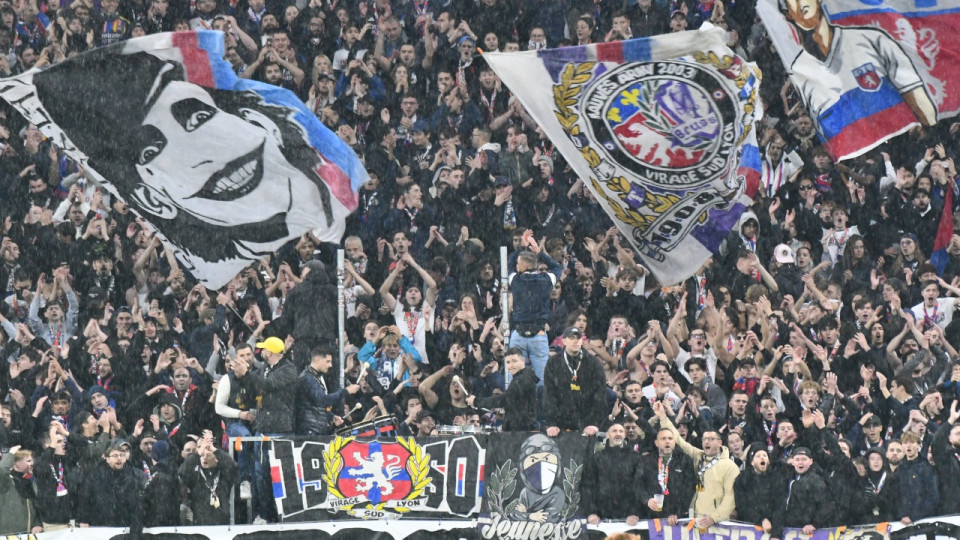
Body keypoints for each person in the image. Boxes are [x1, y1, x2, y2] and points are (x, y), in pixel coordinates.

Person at [31, 48, 357, 283]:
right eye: (151, 151)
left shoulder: (329, 201)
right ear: (151, 199)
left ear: (256, 120)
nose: (205, 156)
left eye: (198, 116)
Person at [777, 0, 936, 142]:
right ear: (787, 14)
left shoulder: (871, 40)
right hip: (859, 155)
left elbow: (918, 99)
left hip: (899, 142)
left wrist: (930, 135)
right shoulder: (801, 72)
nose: (799, 3)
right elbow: (828, 140)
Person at [232, 336, 297, 524]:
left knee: (281, 476)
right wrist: (241, 376)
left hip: (280, 429)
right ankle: (264, 514)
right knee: (261, 475)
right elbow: (255, 388)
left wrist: (247, 374)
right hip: (263, 428)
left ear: (269, 352)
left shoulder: (288, 370)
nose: (260, 352)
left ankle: (283, 515)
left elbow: (270, 385)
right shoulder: (265, 369)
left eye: (262, 349)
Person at [653, 401, 740, 528]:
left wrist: (713, 517)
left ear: (720, 442)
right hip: (694, 520)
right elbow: (678, 440)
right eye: (704, 439)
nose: (706, 442)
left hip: (716, 524)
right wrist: (662, 417)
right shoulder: (698, 456)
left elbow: (730, 498)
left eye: (711, 439)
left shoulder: (730, 466)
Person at [508, 229, 562, 384]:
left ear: (523, 266)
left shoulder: (516, 281)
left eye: (519, 264)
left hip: (518, 333)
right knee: (541, 381)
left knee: (515, 379)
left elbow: (510, 264)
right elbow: (557, 268)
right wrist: (539, 252)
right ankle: (539, 407)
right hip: (538, 334)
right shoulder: (546, 280)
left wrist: (521, 247)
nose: (517, 266)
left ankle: (517, 407)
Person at [543, 327, 608, 437]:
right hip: (561, 423)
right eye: (571, 338)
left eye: (578, 338)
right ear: (563, 341)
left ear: (582, 341)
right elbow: (549, 394)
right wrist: (552, 424)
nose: (575, 341)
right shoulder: (554, 362)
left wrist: (595, 424)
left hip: (587, 422)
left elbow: (600, 395)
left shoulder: (593, 363)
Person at [77, 439, 145, 531]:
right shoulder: (94, 476)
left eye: (122, 455)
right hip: (99, 525)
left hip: (124, 526)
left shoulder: (133, 477)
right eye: (115, 455)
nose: (119, 458)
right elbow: (84, 499)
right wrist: (83, 520)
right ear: (107, 458)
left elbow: (137, 505)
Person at [581, 424, 642, 525]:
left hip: (628, 515)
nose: (618, 434)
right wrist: (591, 512)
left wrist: (635, 513)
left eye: (621, 431)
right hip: (601, 514)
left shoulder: (635, 458)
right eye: (614, 431)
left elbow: (639, 485)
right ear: (608, 435)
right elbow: (588, 485)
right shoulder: (597, 457)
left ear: (625, 435)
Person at [466, 347, 538, 431]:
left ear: (522, 361)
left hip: (522, 432)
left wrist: (476, 401)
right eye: (508, 362)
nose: (511, 365)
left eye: (514, 361)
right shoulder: (521, 377)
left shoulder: (523, 379)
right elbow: (515, 404)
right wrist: (506, 413)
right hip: (520, 430)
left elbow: (504, 399)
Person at [637, 427, 696, 525]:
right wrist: (647, 499)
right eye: (663, 439)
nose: (667, 441)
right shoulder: (646, 461)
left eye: (670, 438)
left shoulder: (684, 460)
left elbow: (689, 490)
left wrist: (678, 513)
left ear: (674, 442)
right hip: (652, 517)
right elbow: (638, 484)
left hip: (677, 519)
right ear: (656, 443)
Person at [297, 345, 360, 436]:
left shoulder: (314, 377)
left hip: (314, 428)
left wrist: (331, 416)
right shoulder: (308, 378)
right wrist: (346, 391)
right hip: (310, 430)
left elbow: (314, 404)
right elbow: (322, 400)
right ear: (317, 359)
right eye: (328, 361)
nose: (330, 365)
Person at [178, 430, 237, 525]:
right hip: (200, 526)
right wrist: (199, 452)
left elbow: (233, 466)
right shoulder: (195, 474)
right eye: (202, 455)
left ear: (216, 458)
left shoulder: (223, 473)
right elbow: (182, 472)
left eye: (208, 455)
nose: (204, 458)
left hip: (223, 526)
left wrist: (214, 449)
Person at [0, 447, 39, 535]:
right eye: (28, 461)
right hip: (8, 535)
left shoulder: (29, 482)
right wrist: (10, 454)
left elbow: (37, 507)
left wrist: (38, 524)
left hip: (28, 534)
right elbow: (1, 470)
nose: (32, 463)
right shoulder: (7, 481)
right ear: (17, 464)